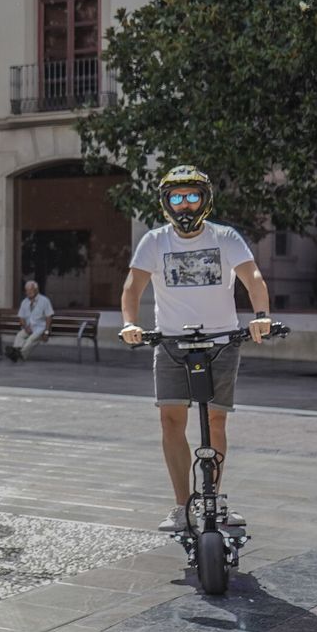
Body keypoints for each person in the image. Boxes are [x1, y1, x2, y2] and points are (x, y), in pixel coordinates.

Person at [119, 166, 274, 533]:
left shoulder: (225, 237)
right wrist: (129, 323)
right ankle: (181, 506)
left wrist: (262, 316)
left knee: (215, 420)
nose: (184, 205)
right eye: (177, 197)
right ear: (165, 203)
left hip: (221, 341)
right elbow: (132, 286)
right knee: (171, 420)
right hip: (171, 343)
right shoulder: (155, 241)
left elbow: (252, 277)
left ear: (204, 200)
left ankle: (212, 501)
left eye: (192, 196)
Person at [7, 280, 54, 362]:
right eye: (27, 290)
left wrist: (46, 332)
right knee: (19, 335)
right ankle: (16, 352)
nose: (28, 292)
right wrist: (25, 327)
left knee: (31, 339)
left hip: (41, 328)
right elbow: (21, 317)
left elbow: (49, 316)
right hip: (29, 327)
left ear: (36, 290)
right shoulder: (24, 302)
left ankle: (19, 353)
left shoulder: (44, 301)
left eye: (30, 290)